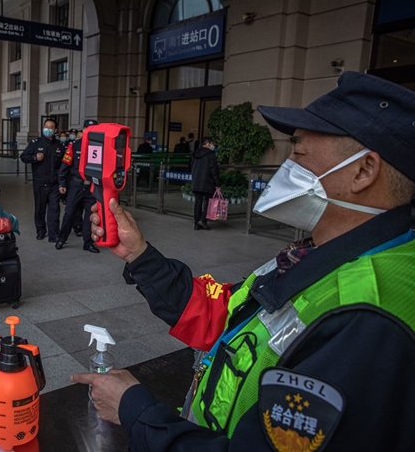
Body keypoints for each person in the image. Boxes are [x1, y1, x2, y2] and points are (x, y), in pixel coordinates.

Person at [72, 71, 415, 451]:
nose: (287, 167)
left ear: (364, 171)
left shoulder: (368, 319)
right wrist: (139, 254)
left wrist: (134, 409)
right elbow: (224, 314)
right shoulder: (312, 254)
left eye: (298, 154)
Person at [55, 119, 99, 253]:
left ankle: (88, 243)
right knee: (69, 213)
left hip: (91, 187)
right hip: (76, 185)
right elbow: (65, 165)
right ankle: (62, 239)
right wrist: (62, 182)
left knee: (90, 216)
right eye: (88, 129)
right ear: (84, 130)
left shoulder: (99, 146)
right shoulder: (74, 146)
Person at [20, 118, 66, 241]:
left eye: (51, 127)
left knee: (54, 209)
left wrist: (62, 183)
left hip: (54, 184)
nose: (48, 129)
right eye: (46, 126)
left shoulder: (60, 146)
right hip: (39, 183)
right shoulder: (35, 143)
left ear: (55, 130)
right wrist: (35, 157)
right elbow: (23, 157)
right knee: (40, 209)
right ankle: (40, 230)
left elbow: (64, 166)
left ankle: (54, 234)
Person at [191, 137, 220, 230]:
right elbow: (214, 170)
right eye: (212, 143)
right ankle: (203, 221)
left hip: (197, 181)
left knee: (198, 202)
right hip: (208, 182)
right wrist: (217, 183)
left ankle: (196, 222)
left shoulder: (195, 153)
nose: (213, 145)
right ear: (208, 144)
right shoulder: (211, 155)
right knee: (208, 203)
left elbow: (190, 166)